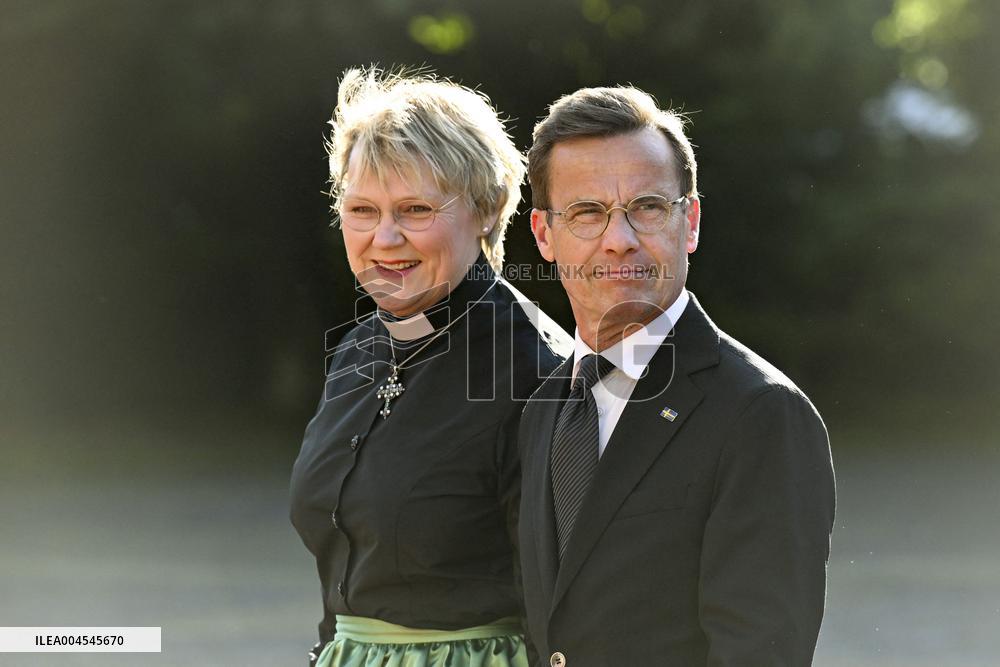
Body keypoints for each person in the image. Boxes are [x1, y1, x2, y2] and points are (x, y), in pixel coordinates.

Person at [517, 86, 836, 666]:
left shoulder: (760, 414)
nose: (620, 239)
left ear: (688, 222)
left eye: (647, 207)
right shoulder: (544, 406)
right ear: (543, 235)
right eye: (587, 213)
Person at [289, 68, 572, 667]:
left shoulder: (539, 371)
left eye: (415, 209)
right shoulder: (357, 349)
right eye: (362, 209)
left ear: (488, 209)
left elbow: (566, 606)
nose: (384, 237)